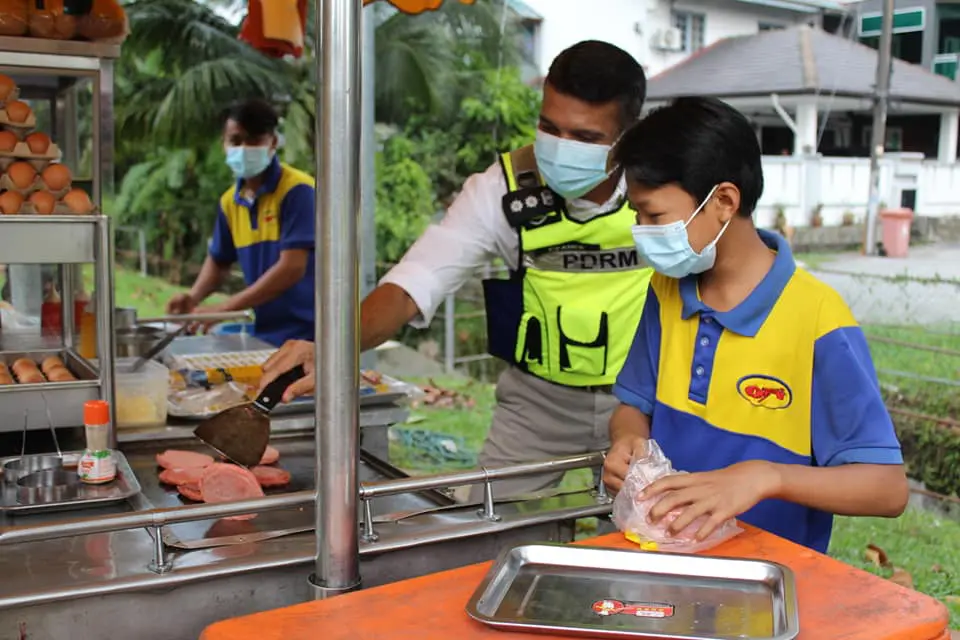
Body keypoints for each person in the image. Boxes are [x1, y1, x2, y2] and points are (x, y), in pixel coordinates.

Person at [261, 41, 653, 500]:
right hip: (537, 404)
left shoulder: (665, 184)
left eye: (585, 138)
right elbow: (413, 283)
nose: (561, 148)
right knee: (484, 532)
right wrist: (331, 349)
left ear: (629, 136)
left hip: (649, 403)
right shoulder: (501, 189)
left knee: (656, 538)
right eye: (549, 127)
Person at [602, 96, 908, 553]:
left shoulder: (819, 320)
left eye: (655, 216)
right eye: (637, 217)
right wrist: (629, 439)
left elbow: (887, 489)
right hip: (663, 558)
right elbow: (634, 403)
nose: (642, 231)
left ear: (724, 201)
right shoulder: (665, 291)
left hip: (770, 579)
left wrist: (766, 477)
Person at [166, 98, 316, 347]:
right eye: (235, 141)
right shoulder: (229, 202)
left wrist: (224, 308)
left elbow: (292, 268)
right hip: (267, 334)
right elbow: (219, 261)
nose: (244, 148)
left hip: (312, 336)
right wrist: (192, 298)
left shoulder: (298, 191)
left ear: (273, 142)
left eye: (254, 140)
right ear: (223, 145)